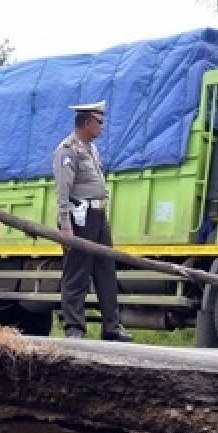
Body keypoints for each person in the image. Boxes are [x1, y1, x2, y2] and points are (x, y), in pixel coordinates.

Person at [51, 101, 132, 342]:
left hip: (97, 216)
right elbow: (63, 191)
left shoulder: (91, 149)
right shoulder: (68, 150)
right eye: (100, 122)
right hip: (79, 217)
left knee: (106, 272)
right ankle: (74, 328)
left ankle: (111, 327)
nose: (103, 127)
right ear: (86, 123)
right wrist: (66, 224)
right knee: (77, 273)